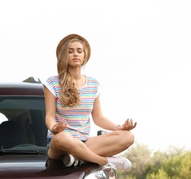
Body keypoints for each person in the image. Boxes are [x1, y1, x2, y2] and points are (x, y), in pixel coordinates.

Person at [43, 34, 136, 170]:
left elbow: (98, 118)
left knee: (128, 137)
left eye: (79, 51)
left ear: (85, 56)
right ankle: (103, 161)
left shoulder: (93, 84)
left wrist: (118, 127)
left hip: (85, 142)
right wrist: (54, 128)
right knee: (63, 137)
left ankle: (77, 157)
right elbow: (49, 116)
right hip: (60, 144)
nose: (75, 54)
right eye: (70, 51)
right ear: (64, 56)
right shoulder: (52, 83)